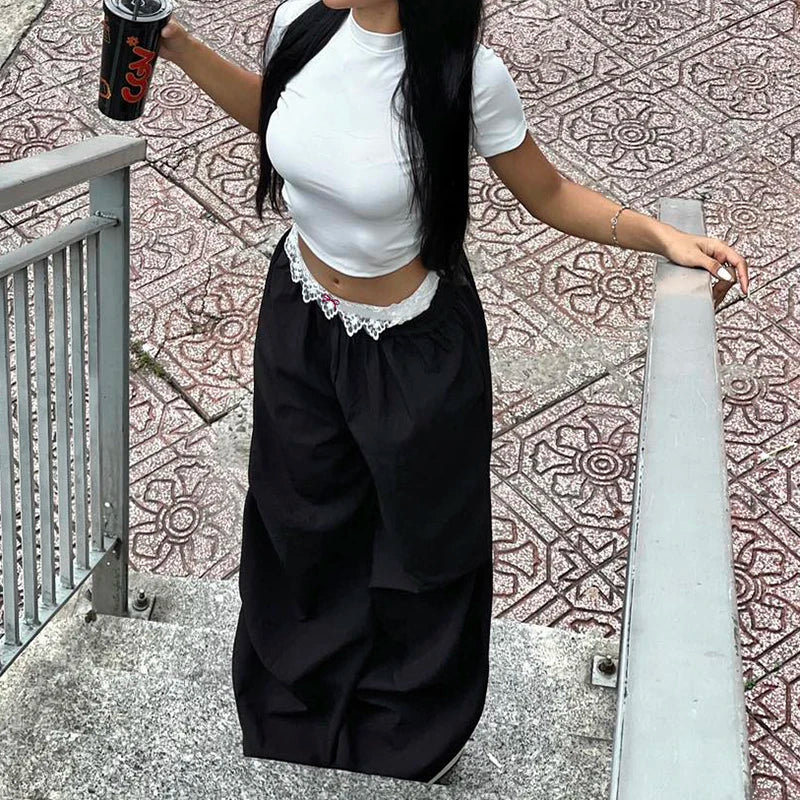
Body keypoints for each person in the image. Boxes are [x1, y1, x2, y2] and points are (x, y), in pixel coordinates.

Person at [158, 0, 750, 785]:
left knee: (423, 544)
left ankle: (410, 733)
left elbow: (548, 192)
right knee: (298, 517)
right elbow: (278, 112)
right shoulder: (300, 22)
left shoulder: (466, 77)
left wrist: (657, 235)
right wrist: (178, 47)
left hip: (415, 351)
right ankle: (297, 703)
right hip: (299, 322)